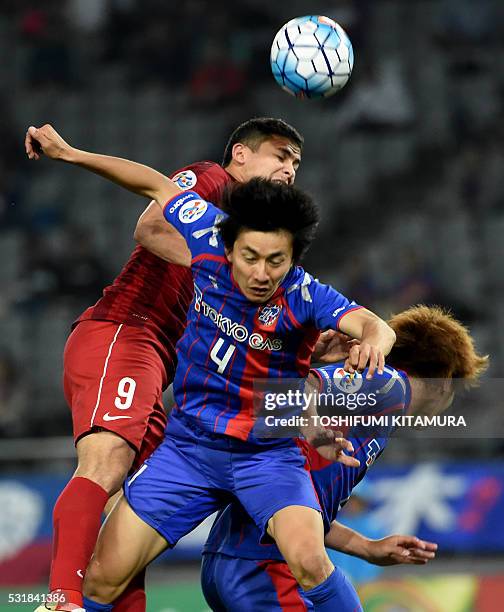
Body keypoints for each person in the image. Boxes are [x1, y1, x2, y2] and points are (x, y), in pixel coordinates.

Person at [26, 124, 396, 612]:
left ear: (292, 258)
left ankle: (65, 600)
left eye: (274, 261)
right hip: (177, 423)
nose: (260, 273)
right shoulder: (207, 219)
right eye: (279, 156)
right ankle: (63, 600)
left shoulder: (304, 293)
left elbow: (370, 327)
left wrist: (369, 343)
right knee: (103, 561)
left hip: (262, 457)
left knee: (308, 560)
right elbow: (151, 188)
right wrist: (70, 153)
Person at [200, 304, 488, 610]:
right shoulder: (388, 385)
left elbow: (299, 511)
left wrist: (366, 547)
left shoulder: (375, 409)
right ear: (445, 382)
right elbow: (279, 398)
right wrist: (313, 426)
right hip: (262, 566)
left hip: (233, 561)